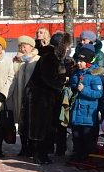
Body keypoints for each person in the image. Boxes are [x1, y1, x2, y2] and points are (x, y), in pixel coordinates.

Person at [22, 32, 71, 164]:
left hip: (47, 98)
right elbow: (46, 77)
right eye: (66, 46)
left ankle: (43, 154)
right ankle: (38, 154)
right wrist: (61, 82)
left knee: (47, 127)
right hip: (39, 98)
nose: (67, 49)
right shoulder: (49, 57)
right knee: (39, 128)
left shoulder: (55, 57)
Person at [67, 46, 104, 163]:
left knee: (86, 136)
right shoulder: (76, 74)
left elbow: (98, 93)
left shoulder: (94, 76)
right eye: (78, 61)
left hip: (88, 112)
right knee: (76, 135)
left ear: (88, 62)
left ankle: (87, 156)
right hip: (76, 110)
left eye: (81, 61)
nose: (79, 63)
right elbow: (73, 85)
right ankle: (77, 154)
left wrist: (84, 90)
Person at [8, 36, 40, 156]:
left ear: (31, 47)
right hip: (18, 94)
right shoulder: (15, 60)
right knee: (21, 121)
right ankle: (23, 147)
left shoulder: (37, 59)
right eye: (20, 46)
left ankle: (32, 147)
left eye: (24, 46)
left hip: (32, 97)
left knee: (30, 122)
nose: (22, 48)